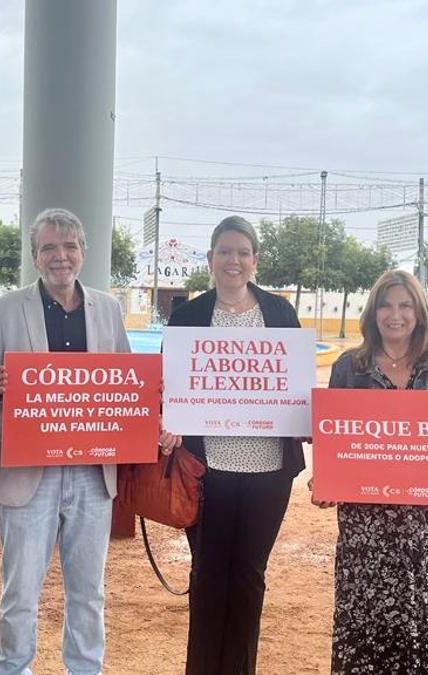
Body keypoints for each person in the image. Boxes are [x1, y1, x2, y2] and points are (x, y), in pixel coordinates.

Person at [0, 208, 131, 675]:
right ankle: (12, 669)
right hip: (26, 473)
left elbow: (125, 382)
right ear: (35, 256)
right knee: (19, 591)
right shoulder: (4, 309)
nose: (60, 257)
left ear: (82, 251)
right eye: (48, 248)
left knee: (89, 591)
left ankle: (85, 669)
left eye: (68, 247)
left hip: (91, 473)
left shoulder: (109, 308)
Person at [311, 269, 428, 674]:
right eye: (386, 304)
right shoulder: (350, 366)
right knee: (365, 621)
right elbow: (335, 436)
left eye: (405, 305)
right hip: (365, 525)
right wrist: (328, 478)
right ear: (373, 312)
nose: (395, 314)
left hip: (424, 526)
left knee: (423, 617)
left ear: (419, 312)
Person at [161, 215, 306, 675]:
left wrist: (305, 414)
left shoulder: (281, 314)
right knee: (207, 576)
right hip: (207, 471)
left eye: (243, 252)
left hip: (268, 473)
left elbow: (296, 385)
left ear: (254, 260)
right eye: (225, 251)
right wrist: (171, 419)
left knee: (249, 578)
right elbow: (169, 385)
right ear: (210, 259)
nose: (234, 261)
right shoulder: (188, 316)